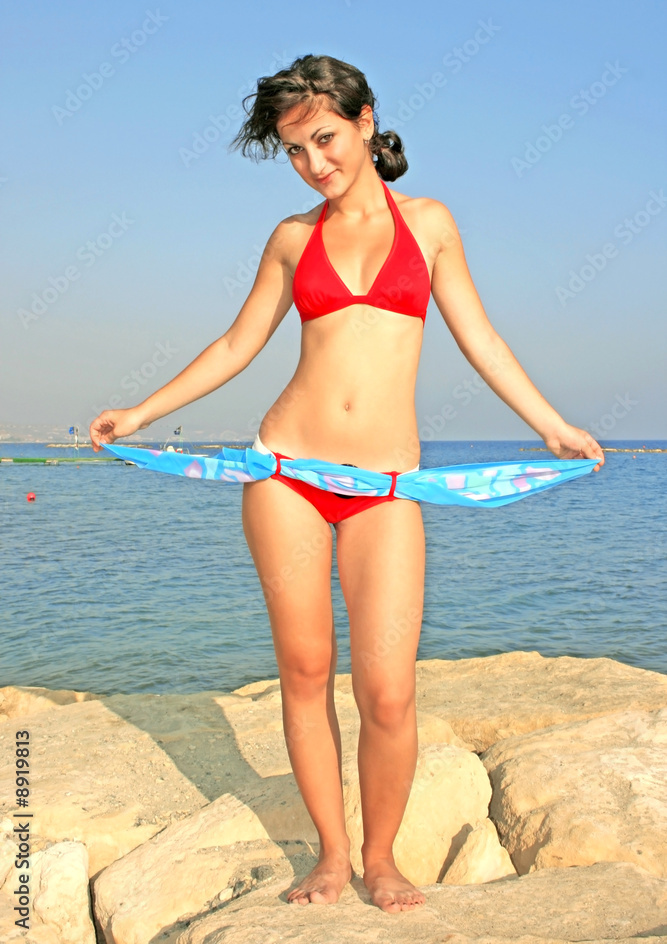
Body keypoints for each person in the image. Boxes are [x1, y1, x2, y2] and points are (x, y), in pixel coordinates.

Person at [89, 53, 604, 913]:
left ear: (366, 122)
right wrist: (138, 414)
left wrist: (548, 424)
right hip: (285, 470)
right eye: (295, 151)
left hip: (386, 481)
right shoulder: (293, 239)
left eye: (324, 139)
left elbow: (480, 337)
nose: (314, 163)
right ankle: (331, 857)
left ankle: (383, 856)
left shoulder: (429, 223)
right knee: (303, 668)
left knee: (388, 688)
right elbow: (234, 346)